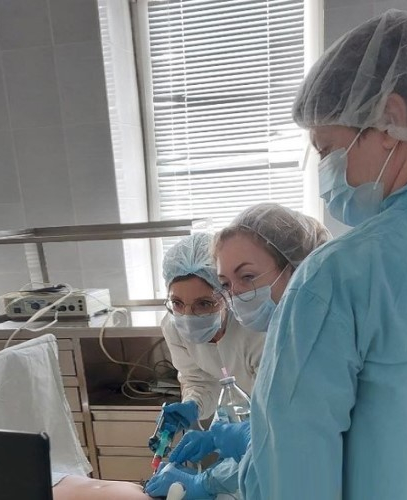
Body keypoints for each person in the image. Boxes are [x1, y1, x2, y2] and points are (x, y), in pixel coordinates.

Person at [231, 9, 407, 500]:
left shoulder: (340, 274)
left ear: (391, 120)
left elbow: (295, 466)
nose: (326, 170)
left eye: (327, 148)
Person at [145, 205, 330, 499]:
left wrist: (208, 481)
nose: (188, 316)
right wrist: (192, 405)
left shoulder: (263, 327)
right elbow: (198, 378)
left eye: (204, 303)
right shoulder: (174, 326)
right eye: (177, 303)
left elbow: (284, 435)